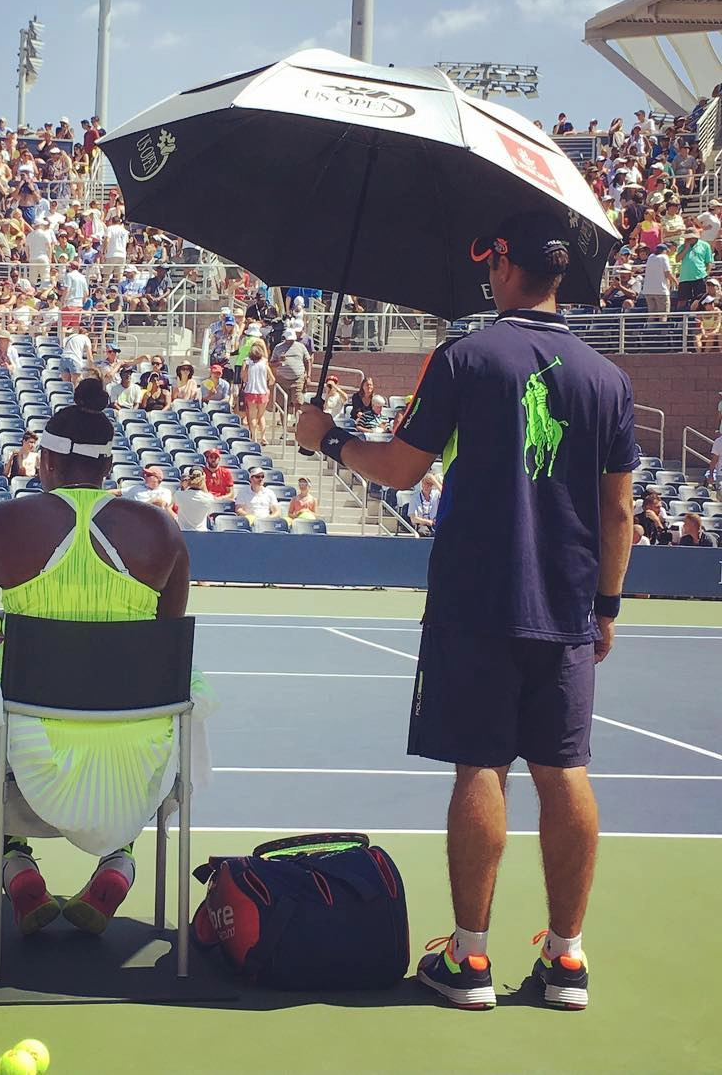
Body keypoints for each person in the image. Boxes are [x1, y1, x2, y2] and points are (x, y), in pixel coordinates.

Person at [297, 210, 637, 1011]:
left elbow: (402, 467)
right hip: (566, 604)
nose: (485, 273)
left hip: (477, 598)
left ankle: (472, 961)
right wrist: (608, 606)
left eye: (490, 261)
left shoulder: (464, 358)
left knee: (480, 765)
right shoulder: (608, 380)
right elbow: (619, 514)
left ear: (508, 265)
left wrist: (329, 438)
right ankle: (568, 960)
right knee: (564, 770)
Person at [0, 376, 191, 936]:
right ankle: (118, 860)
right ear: (107, 464)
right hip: (132, 769)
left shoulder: (3, 525)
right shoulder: (163, 532)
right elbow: (160, 652)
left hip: (27, 766)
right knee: (155, 708)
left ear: (44, 460)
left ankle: (13, 860)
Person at [241, 340, 271, 443]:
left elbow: (244, 378)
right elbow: (272, 379)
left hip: (250, 391)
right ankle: (263, 436)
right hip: (263, 391)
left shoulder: (247, 362)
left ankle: (254, 437)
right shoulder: (264, 362)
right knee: (261, 415)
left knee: (252, 415)